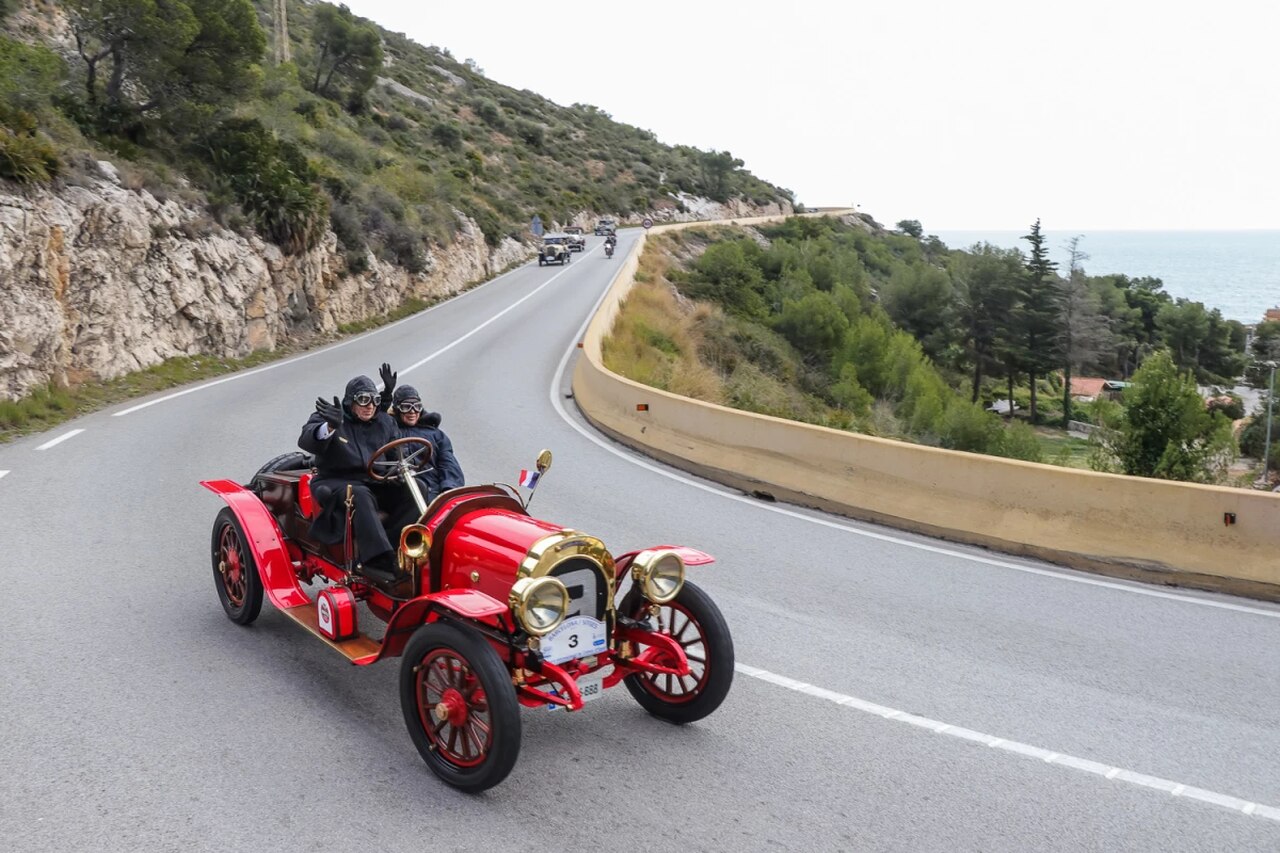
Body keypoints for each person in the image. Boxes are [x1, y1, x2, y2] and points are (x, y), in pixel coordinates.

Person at [298, 374, 414, 579]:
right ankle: (377, 561)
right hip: (336, 482)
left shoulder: (385, 422)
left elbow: (398, 455)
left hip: (376, 481)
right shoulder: (331, 417)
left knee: (416, 487)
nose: (370, 406)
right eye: (363, 400)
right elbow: (307, 441)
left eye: (374, 400)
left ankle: (398, 545)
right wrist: (330, 427)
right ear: (351, 401)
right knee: (359, 494)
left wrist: (398, 472)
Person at [379, 363, 465, 506]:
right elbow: (377, 421)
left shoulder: (436, 434)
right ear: (397, 409)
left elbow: (448, 464)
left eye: (416, 407)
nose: (412, 412)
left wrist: (448, 490)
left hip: (436, 490)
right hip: (404, 492)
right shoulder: (389, 431)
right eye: (406, 407)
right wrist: (387, 393)